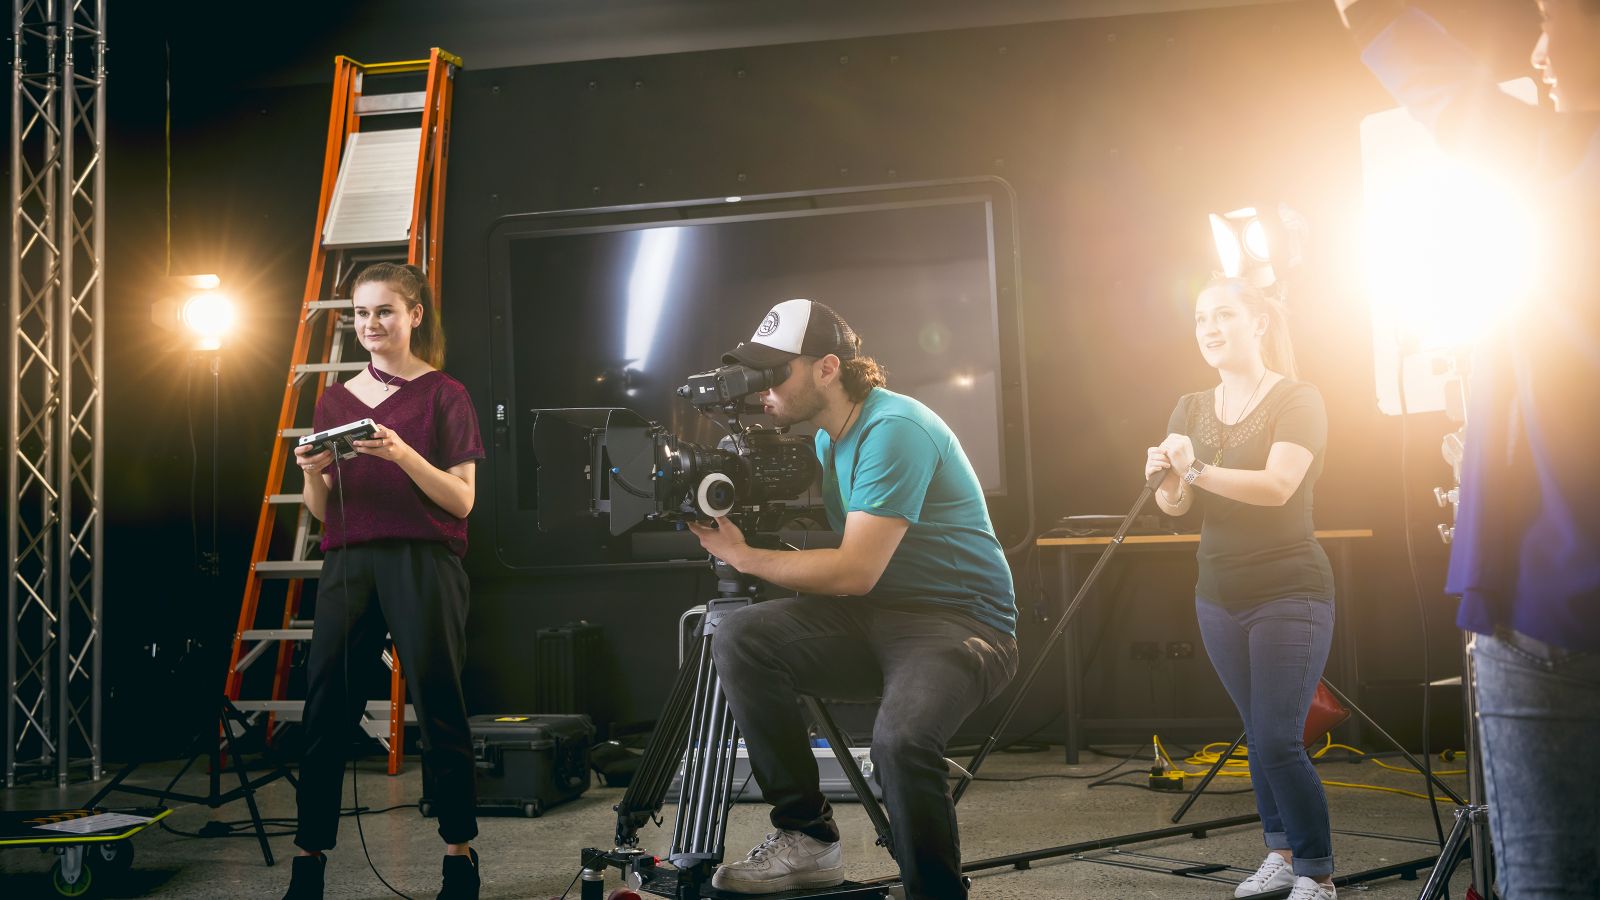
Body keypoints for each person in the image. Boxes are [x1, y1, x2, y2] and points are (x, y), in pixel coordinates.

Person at [1334, 2, 1600, 897]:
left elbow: (1426, 67)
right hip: (1543, 607)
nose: (1539, 49)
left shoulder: (1552, 164)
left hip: (1549, 605)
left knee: (1550, 878)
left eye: (1560, 17)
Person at [685, 299, 1017, 900]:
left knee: (902, 741)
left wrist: (744, 556)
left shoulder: (893, 429)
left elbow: (857, 570)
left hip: (960, 621)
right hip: (878, 616)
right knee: (742, 636)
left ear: (827, 368)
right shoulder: (826, 439)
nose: (763, 392)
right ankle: (808, 838)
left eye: (773, 373)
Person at [284, 263, 486, 900]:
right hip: (350, 561)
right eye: (361, 314)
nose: (371, 325)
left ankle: (460, 855)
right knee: (324, 708)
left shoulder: (444, 395)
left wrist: (401, 453)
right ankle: (308, 861)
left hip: (423, 561)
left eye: (385, 312)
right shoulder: (334, 400)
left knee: (438, 702)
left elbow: (461, 502)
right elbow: (322, 510)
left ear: (415, 315)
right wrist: (312, 472)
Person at [1146, 277, 1338, 900]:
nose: (1209, 327)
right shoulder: (1189, 406)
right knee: (1258, 734)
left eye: (1224, 314)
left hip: (1290, 591)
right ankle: (1279, 854)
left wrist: (1194, 467)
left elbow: (1278, 485)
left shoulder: (1298, 398)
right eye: (1201, 317)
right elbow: (1177, 506)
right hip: (1218, 593)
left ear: (1258, 323)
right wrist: (1166, 479)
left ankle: (1317, 872)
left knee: (1280, 736)